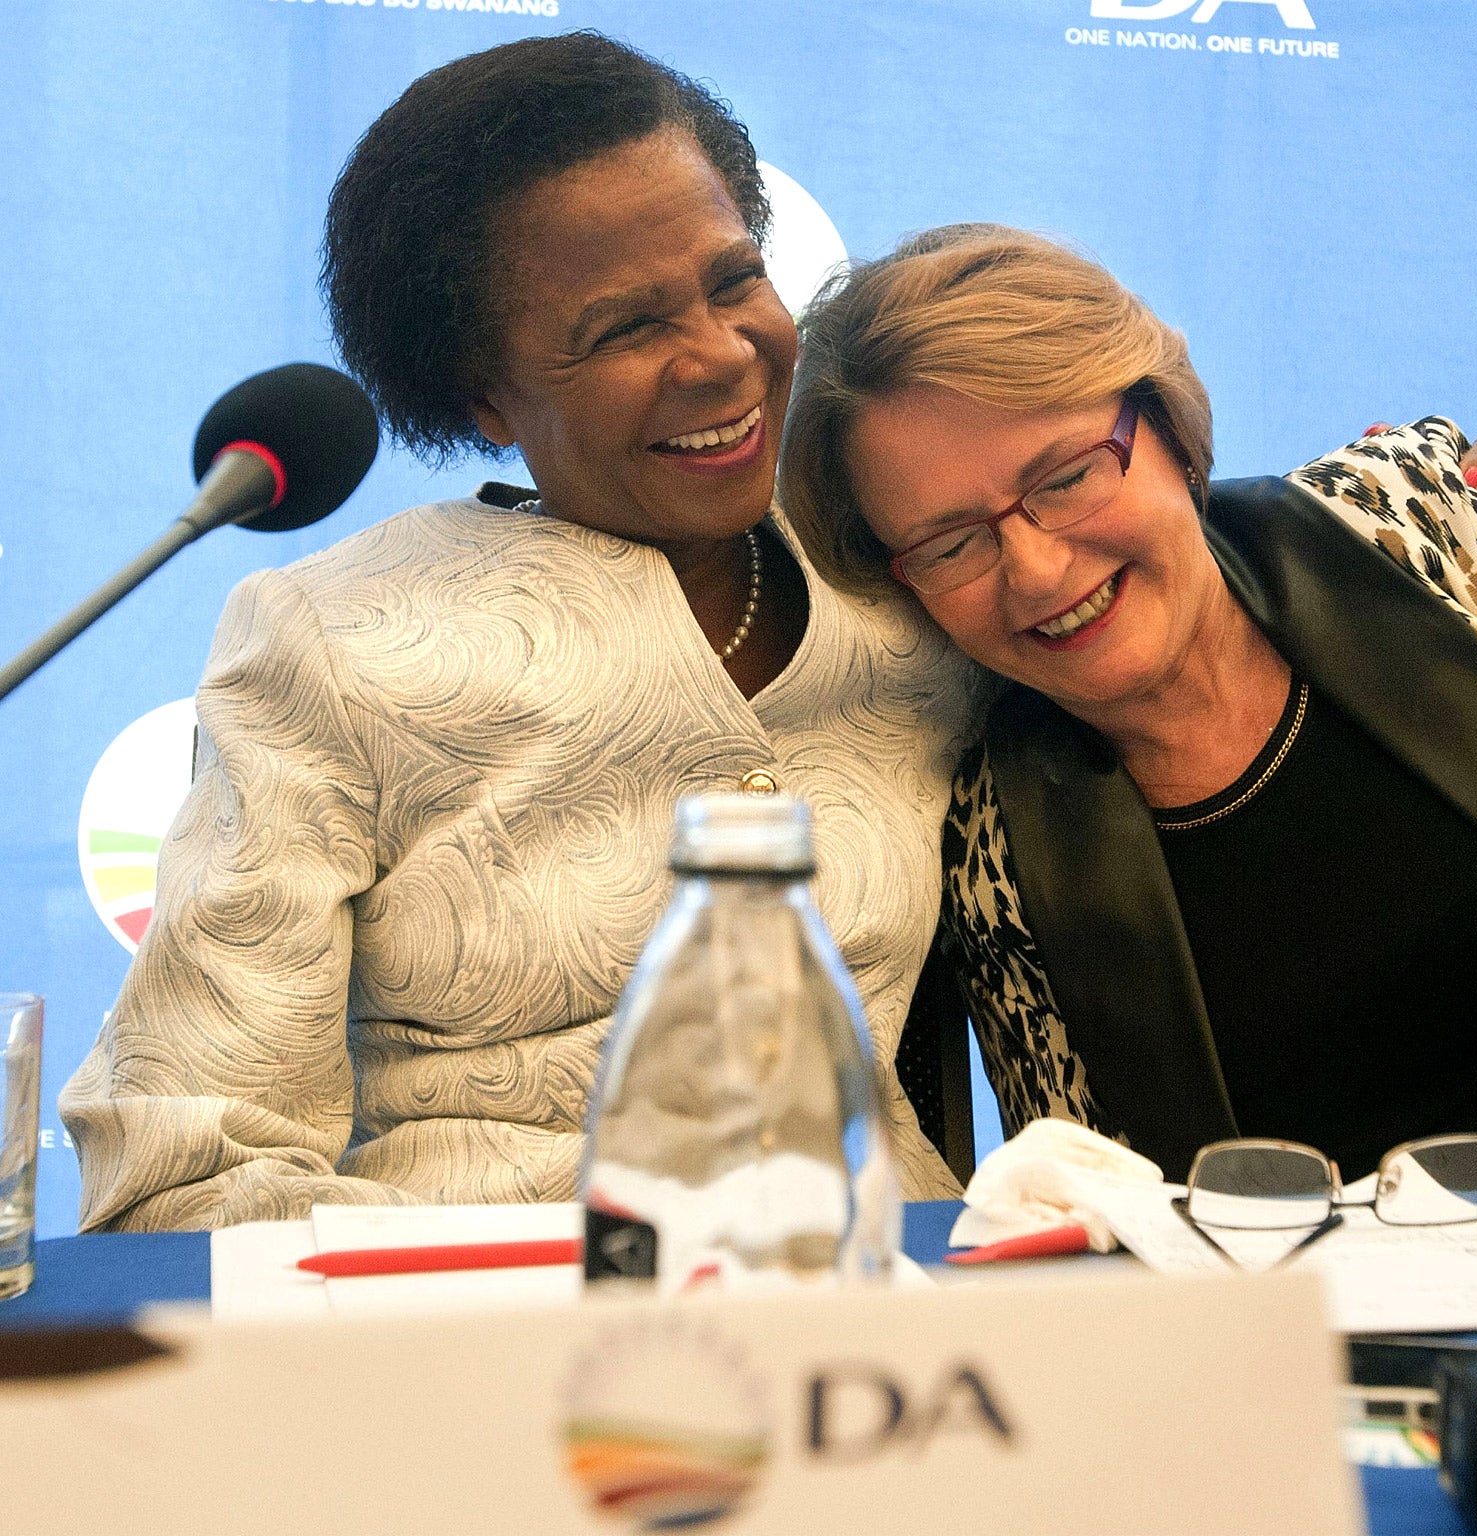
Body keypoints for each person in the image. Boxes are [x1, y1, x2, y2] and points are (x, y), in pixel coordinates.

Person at [55, 35, 998, 1226]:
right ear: (480, 394)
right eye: (621, 330)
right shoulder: (337, 642)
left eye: (731, 280)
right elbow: (188, 1157)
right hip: (470, 1332)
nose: (718, 356)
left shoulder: (905, 574)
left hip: (871, 1312)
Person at [779, 225, 1477, 1184]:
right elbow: (1121, 1217)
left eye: (1065, 477)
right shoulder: (990, 848)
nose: (1038, 570)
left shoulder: (1416, 519)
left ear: (1168, 426)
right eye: (951, 542)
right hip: (1337, 1356)